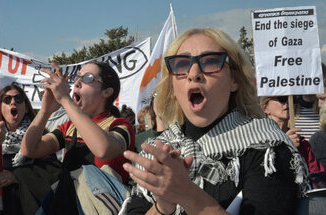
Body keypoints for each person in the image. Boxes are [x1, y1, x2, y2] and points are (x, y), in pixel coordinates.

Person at [120, 28, 309, 215]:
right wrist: (163, 204)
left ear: (234, 80)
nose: (193, 74)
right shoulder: (160, 151)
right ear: (172, 86)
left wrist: (187, 194)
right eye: (181, 65)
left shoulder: (267, 147)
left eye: (210, 61)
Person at [21, 61, 135, 214]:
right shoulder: (69, 127)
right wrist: (45, 111)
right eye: (78, 76)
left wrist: (66, 100)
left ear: (107, 92)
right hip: (66, 203)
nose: (77, 82)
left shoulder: (120, 124)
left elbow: (103, 149)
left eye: (88, 78)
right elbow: (29, 149)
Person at [0, 83, 61, 215]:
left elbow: (54, 175)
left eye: (18, 99)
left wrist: (17, 176)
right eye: (6, 99)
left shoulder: (40, 137)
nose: (13, 102)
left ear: (26, 108)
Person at [260, 95, 324, 173]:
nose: (288, 102)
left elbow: (317, 175)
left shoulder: (301, 143)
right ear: (265, 107)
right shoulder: (258, 139)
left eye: (292, 99)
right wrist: (284, 146)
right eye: (282, 99)